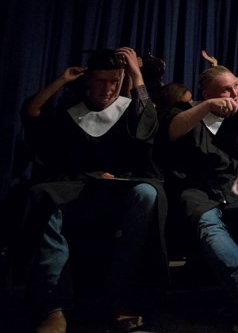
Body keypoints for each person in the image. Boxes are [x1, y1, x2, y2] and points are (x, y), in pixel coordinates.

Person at [21, 48, 166, 333]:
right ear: (89, 80)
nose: (109, 89)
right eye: (101, 81)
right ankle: (53, 307)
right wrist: (62, 80)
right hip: (77, 192)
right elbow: (33, 111)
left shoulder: (126, 110)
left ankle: (121, 295)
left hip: (116, 194)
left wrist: (136, 75)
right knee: (43, 197)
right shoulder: (71, 112)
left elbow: (148, 124)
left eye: (114, 81)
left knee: (148, 194)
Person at [163, 65, 238, 333]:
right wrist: (206, 106)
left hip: (234, 193)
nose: (234, 93)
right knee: (209, 222)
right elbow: (171, 131)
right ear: (206, 93)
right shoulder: (187, 114)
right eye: (225, 90)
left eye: (236, 87)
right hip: (197, 192)